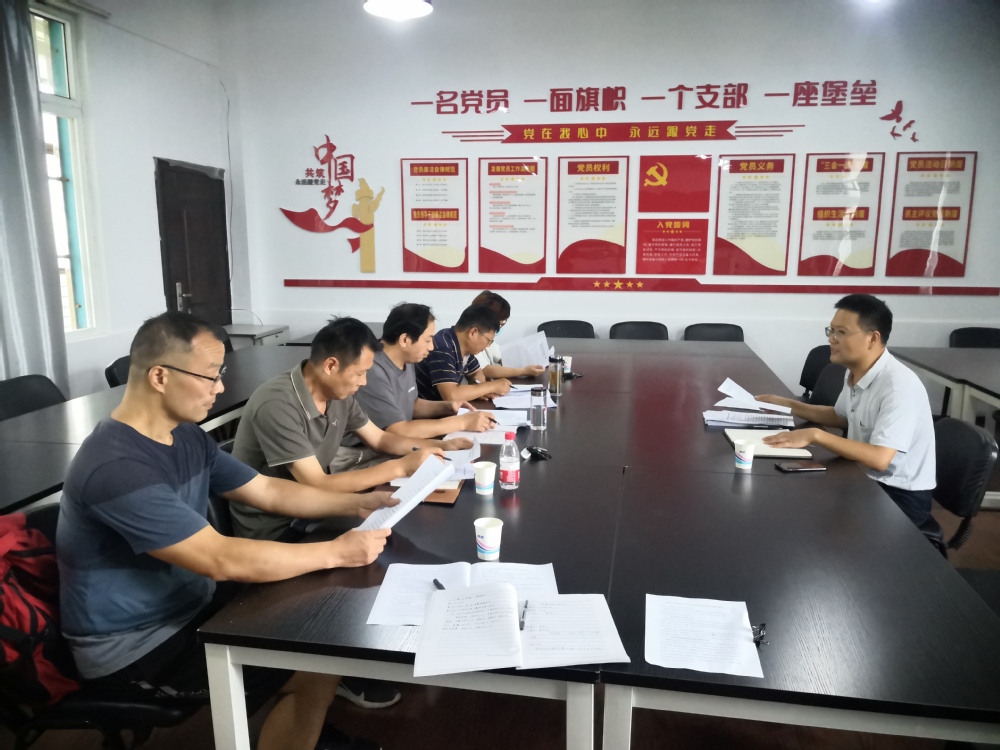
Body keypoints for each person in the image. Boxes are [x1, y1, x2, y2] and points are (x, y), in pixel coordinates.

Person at [57, 312, 395, 750]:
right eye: (210, 376)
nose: (219, 388)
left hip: (191, 604)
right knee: (314, 657)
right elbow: (220, 558)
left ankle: (302, 731)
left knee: (320, 624)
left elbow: (267, 490)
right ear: (160, 376)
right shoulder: (116, 466)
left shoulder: (185, 437)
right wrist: (337, 551)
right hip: (137, 648)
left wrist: (358, 503)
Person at [230, 317, 469, 542]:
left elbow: (380, 439)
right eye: (360, 373)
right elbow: (317, 484)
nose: (363, 382)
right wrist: (401, 467)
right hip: (278, 528)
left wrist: (441, 445)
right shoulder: (277, 403)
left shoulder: (338, 395)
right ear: (331, 365)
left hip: (322, 507)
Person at [756, 294, 936, 526]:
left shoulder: (898, 386)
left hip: (898, 495)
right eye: (831, 330)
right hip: (862, 476)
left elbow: (880, 458)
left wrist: (815, 435)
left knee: (804, 515)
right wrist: (789, 404)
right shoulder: (855, 372)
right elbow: (840, 416)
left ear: (873, 338)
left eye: (841, 332)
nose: (831, 338)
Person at [353, 302, 497, 438]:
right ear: (405, 340)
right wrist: (462, 422)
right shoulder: (372, 370)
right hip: (364, 449)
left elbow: (412, 404)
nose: (431, 347)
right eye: (428, 340)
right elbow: (397, 430)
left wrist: (448, 407)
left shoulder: (407, 359)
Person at [415, 304, 512, 402]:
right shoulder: (443, 347)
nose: (488, 345)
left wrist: (478, 390)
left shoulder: (462, 345)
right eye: (488, 340)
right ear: (473, 332)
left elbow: (477, 373)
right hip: (425, 409)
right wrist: (492, 386)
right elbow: (451, 396)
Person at [469, 290, 546, 380]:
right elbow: (485, 369)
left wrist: (528, 361)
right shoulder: (472, 338)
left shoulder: (488, 338)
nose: (499, 328)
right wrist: (524, 371)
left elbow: (503, 357)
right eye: (500, 324)